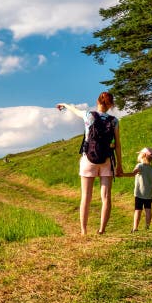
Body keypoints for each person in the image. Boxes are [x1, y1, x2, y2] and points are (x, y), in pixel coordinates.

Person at [56, 92, 123, 235]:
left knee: (86, 196)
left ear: (97, 101)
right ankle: (101, 230)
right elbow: (117, 145)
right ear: (111, 105)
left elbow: (73, 110)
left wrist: (64, 104)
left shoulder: (88, 115)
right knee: (106, 197)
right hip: (107, 160)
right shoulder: (114, 121)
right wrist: (119, 165)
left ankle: (84, 231)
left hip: (88, 159)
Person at [120, 147, 152, 232]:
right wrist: (148, 187)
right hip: (149, 194)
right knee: (148, 210)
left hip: (139, 193)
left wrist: (122, 174)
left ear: (143, 155)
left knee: (138, 210)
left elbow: (133, 174)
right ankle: (147, 227)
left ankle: (135, 228)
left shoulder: (140, 166)